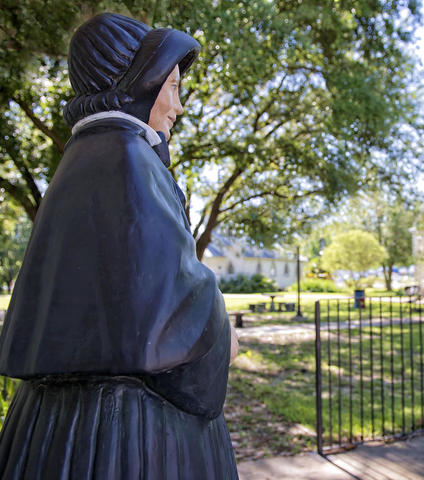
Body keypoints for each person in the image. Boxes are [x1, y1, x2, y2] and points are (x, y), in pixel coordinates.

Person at [0, 13, 238, 479]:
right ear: (140, 82)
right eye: (171, 86)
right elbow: (175, 307)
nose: (178, 106)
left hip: (53, 431)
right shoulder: (128, 157)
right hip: (130, 436)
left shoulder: (79, 162)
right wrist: (220, 327)